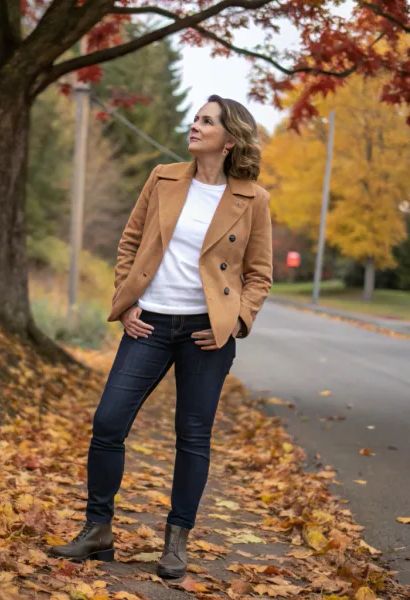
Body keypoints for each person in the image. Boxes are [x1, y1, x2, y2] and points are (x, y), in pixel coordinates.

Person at [48, 95, 273, 578]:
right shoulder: (163, 177)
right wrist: (126, 303)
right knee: (108, 423)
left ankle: (176, 542)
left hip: (205, 334)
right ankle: (97, 530)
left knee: (193, 437)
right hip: (148, 323)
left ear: (229, 139)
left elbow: (259, 274)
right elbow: (130, 241)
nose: (194, 126)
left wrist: (235, 322)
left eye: (206, 121)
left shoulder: (253, 198)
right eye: (195, 118)